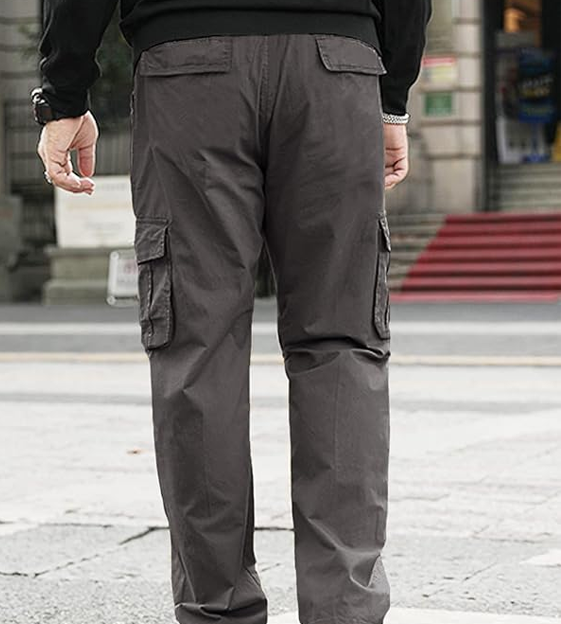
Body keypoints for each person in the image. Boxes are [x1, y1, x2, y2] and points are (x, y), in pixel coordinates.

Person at [33, 1, 432, 622]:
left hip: (189, 66)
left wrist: (63, 94)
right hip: (336, 63)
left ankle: (218, 611)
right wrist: (392, 97)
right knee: (343, 342)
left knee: (199, 345)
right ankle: (344, 611)